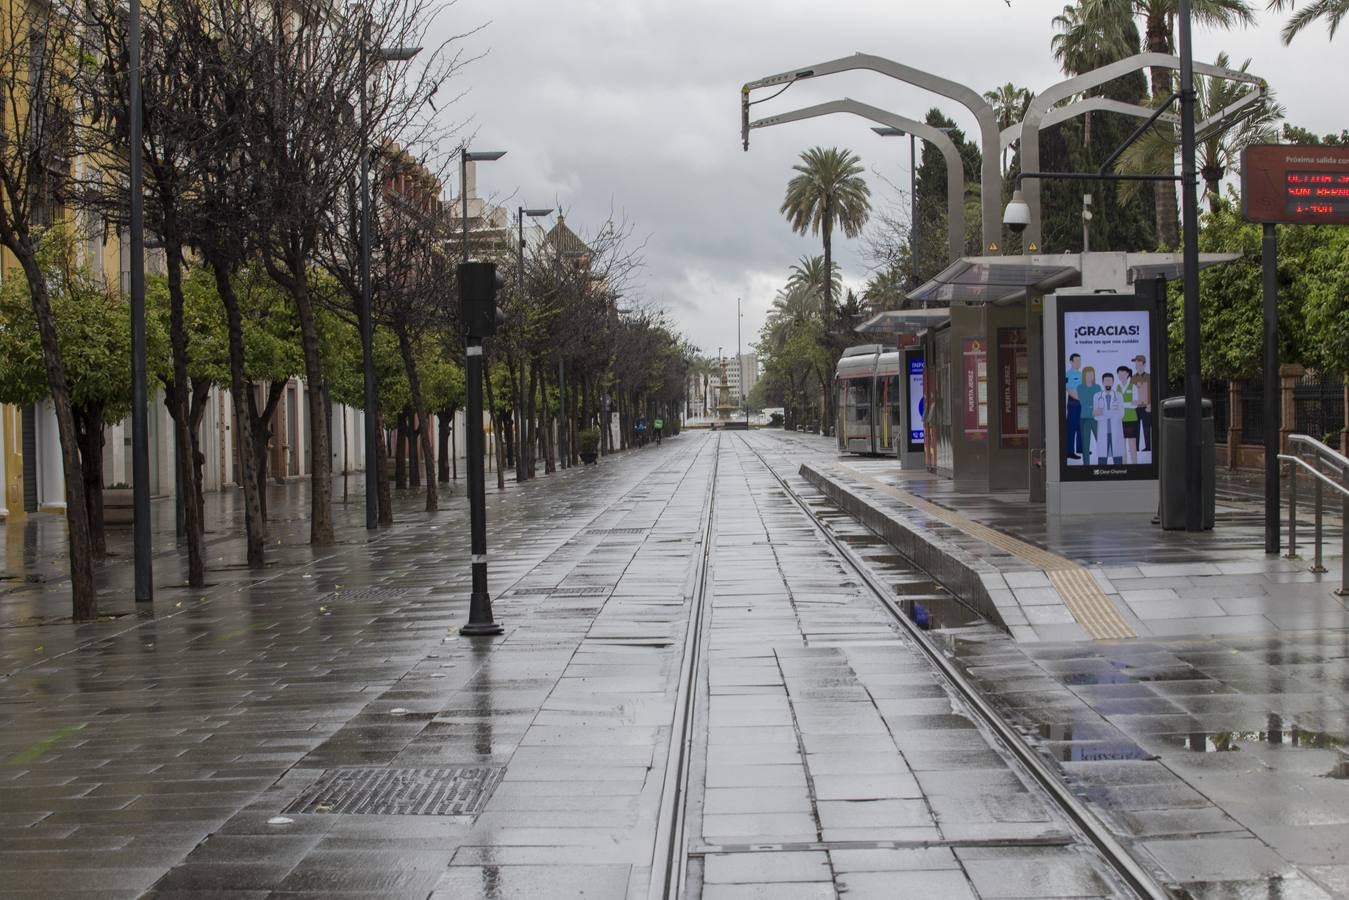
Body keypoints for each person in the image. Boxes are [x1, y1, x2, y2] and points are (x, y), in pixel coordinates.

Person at [1092, 373, 1124, 464]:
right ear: (1102, 382)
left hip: (1116, 431)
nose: (1108, 383)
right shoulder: (1097, 396)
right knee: (1102, 460)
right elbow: (1096, 416)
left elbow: (1121, 414)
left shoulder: (1119, 396)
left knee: (1117, 460)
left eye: (1110, 380)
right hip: (1103, 432)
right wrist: (1111, 413)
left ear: (1113, 382)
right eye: (1106, 380)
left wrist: (1103, 413)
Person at [1076, 367, 1101, 465]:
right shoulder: (1080, 387)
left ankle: (1102, 463)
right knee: (1085, 445)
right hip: (1085, 418)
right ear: (1084, 376)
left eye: (1092, 374)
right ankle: (1086, 465)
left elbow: (1100, 402)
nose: (1090, 377)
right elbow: (1083, 402)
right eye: (1088, 375)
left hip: (1096, 419)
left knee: (1101, 442)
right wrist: (1093, 407)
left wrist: (1094, 407)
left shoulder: (1097, 387)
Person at [1117, 365, 1139, 465]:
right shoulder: (1117, 387)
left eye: (1123, 373)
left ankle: (1134, 466)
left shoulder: (1133, 386)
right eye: (1119, 374)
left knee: (1132, 445)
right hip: (1120, 420)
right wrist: (1127, 404)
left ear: (1127, 374)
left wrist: (1122, 404)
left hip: (1131, 419)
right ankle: (1124, 466)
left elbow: (1135, 405)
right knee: (1122, 446)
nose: (1120, 375)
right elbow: (1116, 404)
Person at [1132, 354, 1151, 454]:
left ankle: (1148, 447)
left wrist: (1150, 404)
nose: (1137, 366)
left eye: (1139, 363)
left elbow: (1152, 392)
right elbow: (1131, 393)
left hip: (1146, 407)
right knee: (1135, 428)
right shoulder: (1133, 378)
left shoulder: (1149, 377)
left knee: (1146, 428)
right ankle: (1135, 448)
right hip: (1136, 407)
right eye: (1136, 364)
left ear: (1144, 364)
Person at [1065, 353, 1083, 460]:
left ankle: (1080, 448)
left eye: (1079, 360)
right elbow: (1069, 390)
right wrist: (1081, 398)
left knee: (1081, 426)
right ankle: (1069, 451)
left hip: (1082, 403)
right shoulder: (1068, 374)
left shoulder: (1081, 374)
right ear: (1071, 362)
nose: (1078, 363)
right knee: (1071, 427)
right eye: (1076, 361)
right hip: (1073, 403)